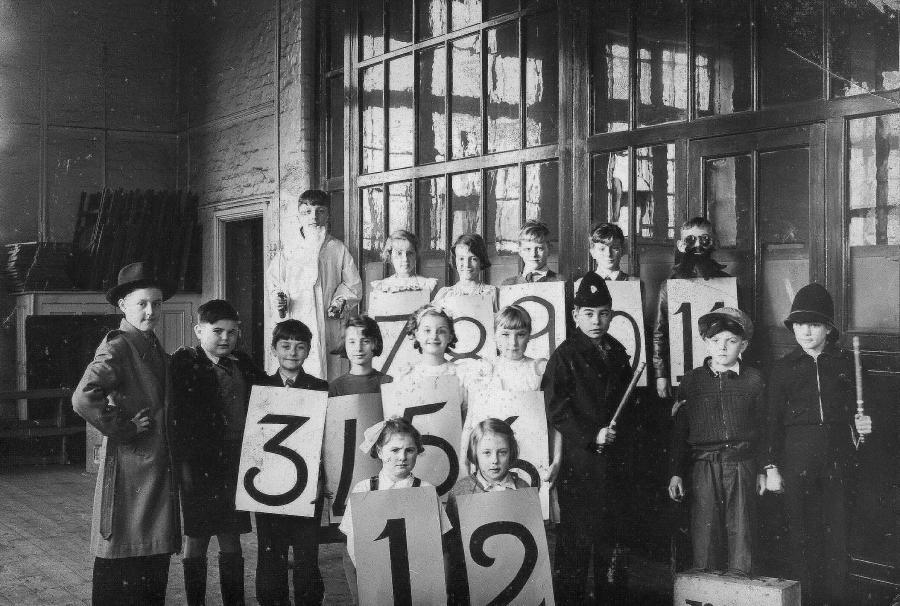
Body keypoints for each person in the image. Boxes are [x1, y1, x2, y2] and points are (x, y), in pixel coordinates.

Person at [72, 262, 181, 605]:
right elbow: (83, 398)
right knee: (121, 551)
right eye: (142, 304)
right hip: (131, 468)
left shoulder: (148, 343)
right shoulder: (118, 346)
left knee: (150, 555)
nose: (151, 311)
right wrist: (125, 429)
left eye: (157, 303)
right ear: (122, 305)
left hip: (154, 467)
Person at [764, 283, 873, 605]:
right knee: (801, 538)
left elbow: (866, 417)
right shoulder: (783, 369)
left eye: (813, 324)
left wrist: (866, 424)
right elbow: (770, 423)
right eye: (799, 324)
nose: (806, 332)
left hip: (838, 463)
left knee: (838, 540)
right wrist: (771, 467)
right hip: (796, 466)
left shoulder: (846, 364)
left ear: (828, 328)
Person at [541, 272, 634, 605]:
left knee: (613, 546)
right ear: (575, 316)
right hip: (580, 467)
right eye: (589, 314)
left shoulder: (617, 350)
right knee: (576, 547)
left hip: (615, 465)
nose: (597, 320)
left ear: (612, 314)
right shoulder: (564, 356)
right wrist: (592, 434)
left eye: (604, 313)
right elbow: (557, 410)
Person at [170, 299, 268, 606]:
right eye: (217, 331)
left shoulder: (244, 364)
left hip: (235, 463)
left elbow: (269, 393)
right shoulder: (185, 364)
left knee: (230, 535)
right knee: (196, 537)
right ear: (199, 331)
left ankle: (234, 602)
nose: (226, 338)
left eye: (232, 332)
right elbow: (175, 416)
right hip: (198, 465)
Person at [667, 307, 766, 575]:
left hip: (741, 464)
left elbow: (763, 428)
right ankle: (707, 588)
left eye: (731, 341)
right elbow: (680, 432)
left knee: (742, 532)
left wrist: (762, 469)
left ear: (743, 344)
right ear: (705, 342)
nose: (722, 348)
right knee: (705, 532)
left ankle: (740, 586)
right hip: (704, 467)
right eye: (715, 341)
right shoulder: (692, 381)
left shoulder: (754, 380)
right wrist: (676, 473)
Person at [254, 319, 329, 606]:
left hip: (307, 481)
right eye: (285, 346)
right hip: (268, 482)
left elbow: (326, 438)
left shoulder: (319, 387)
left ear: (309, 350)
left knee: (306, 551)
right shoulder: (260, 386)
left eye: (300, 347)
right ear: (274, 349)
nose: (292, 353)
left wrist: (324, 477)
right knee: (270, 550)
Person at [338, 417, 450, 605]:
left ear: (417, 452)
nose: (402, 457)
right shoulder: (364, 490)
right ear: (380, 452)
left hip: (418, 581)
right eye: (395, 450)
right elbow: (352, 543)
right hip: (376, 580)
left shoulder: (426, 490)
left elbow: (440, 544)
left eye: (410, 450)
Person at [459, 305, 561, 497]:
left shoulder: (538, 369)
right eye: (505, 335)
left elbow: (554, 422)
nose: (513, 342)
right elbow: (470, 422)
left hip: (532, 456)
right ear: (495, 335)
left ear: (529, 335)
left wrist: (556, 459)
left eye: (520, 334)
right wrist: (463, 460)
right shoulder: (484, 370)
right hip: (491, 459)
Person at [266, 189, 362, 380]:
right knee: (301, 374)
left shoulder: (337, 248)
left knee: (332, 376)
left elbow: (353, 284)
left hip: (329, 324)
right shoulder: (288, 251)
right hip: (299, 321)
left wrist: (340, 301)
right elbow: (275, 284)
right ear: (299, 216)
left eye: (320, 211)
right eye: (307, 212)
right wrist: (280, 301)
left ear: (328, 215)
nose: (314, 218)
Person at [445, 418, 532, 604]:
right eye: (486, 453)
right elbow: (453, 544)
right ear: (474, 453)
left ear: (512, 453)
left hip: (514, 574)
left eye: (502, 452)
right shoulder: (462, 490)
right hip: (474, 578)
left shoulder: (522, 488)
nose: (494, 460)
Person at [652, 217, 731, 398]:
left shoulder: (728, 283)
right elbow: (659, 333)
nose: (698, 246)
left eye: (704, 239)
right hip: (682, 370)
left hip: (720, 373)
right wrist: (660, 374)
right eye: (690, 240)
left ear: (715, 244)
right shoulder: (669, 285)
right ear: (681, 245)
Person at [391, 304, 467, 417]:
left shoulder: (461, 375)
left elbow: (467, 416)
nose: (434, 336)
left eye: (441, 331)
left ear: (450, 336)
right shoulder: (406, 376)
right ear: (416, 334)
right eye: (427, 330)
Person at [328, 315, 393, 397]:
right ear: (345, 345)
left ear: (375, 344)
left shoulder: (388, 383)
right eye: (352, 342)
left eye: (365, 341)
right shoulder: (335, 387)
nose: (358, 348)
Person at [433, 233, 498, 305]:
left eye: (473, 259)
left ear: (481, 261)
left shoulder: (493, 293)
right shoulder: (444, 294)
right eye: (461, 258)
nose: (467, 264)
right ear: (455, 261)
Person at [369, 230, 438, 294]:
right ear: (390, 256)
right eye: (399, 253)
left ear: (415, 255)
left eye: (410, 253)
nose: (405, 259)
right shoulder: (382, 286)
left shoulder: (427, 285)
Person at [501, 220, 564, 285]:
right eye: (528, 249)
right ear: (520, 251)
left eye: (539, 248)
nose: (533, 254)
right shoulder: (508, 284)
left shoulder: (560, 281)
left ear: (549, 249)